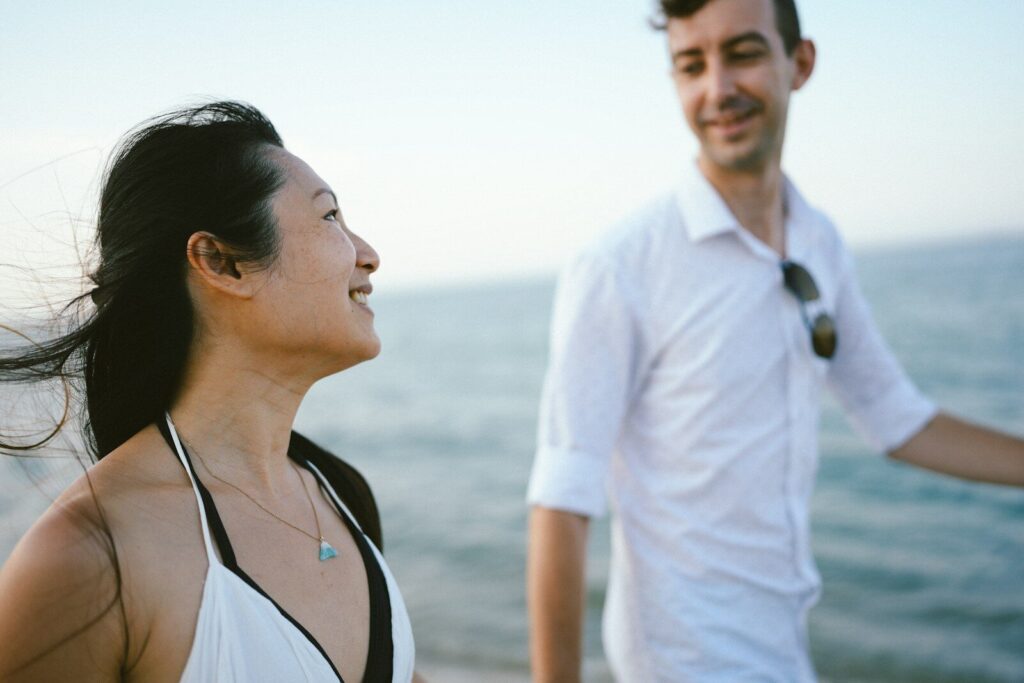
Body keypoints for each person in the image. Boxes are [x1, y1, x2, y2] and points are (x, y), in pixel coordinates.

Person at [525, 1, 1024, 681]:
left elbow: (896, 418)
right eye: (691, 65)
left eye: (744, 53)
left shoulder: (818, 239)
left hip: (784, 650)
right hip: (681, 661)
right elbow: (562, 498)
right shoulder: (621, 264)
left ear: (801, 63)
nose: (718, 88)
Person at [0, 102, 425, 682]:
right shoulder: (92, 556)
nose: (368, 253)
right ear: (219, 262)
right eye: (330, 218)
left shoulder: (341, 494)